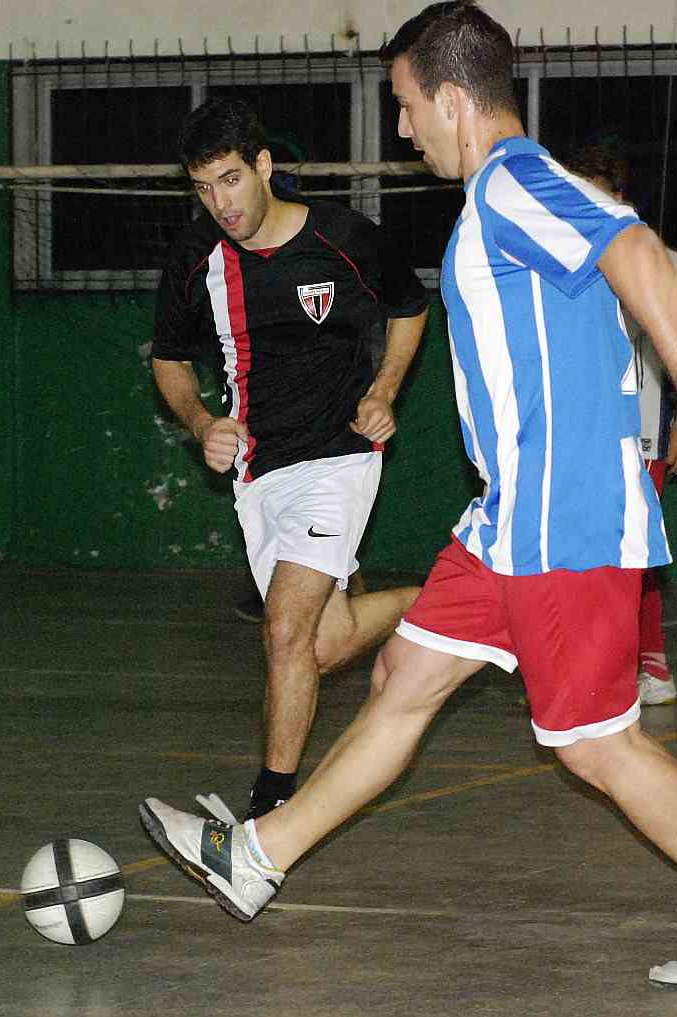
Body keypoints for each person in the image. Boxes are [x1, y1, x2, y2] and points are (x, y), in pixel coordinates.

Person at [140, 2, 677, 991]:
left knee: (595, 745)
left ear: (451, 97)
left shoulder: (512, 182)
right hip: (508, 517)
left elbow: (629, 248)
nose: (404, 130)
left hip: (562, 513)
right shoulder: (504, 194)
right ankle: (258, 857)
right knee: (404, 674)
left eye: (407, 106)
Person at [149, 96, 430, 821]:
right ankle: (448, 601)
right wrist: (200, 421)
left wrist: (384, 389)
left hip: (339, 457)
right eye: (203, 188)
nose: (221, 203)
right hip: (259, 473)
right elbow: (169, 359)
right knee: (322, 643)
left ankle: (267, 814)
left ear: (264, 166)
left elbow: (410, 305)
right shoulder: (195, 258)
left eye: (231, 180)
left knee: (283, 629)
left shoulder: (343, 237)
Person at [562, 141, 677, 707]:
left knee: (628, 554)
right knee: (576, 553)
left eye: (595, 194)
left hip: (639, 435)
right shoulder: (562, 262)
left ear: (620, 197)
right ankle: (583, 667)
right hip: (574, 437)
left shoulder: (660, 261)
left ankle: (641, 668)